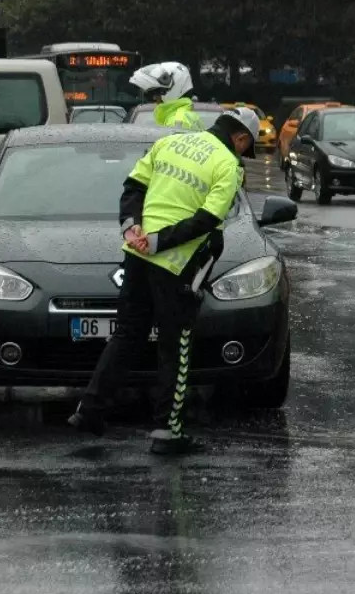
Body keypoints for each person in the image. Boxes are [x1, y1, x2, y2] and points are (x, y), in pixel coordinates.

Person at [68, 107, 260, 454]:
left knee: (127, 335)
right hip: (177, 264)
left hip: (137, 255)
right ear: (241, 138)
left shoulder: (169, 144)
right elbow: (208, 219)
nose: (244, 154)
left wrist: (132, 227)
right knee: (176, 343)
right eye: (247, 148)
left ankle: (90, 411)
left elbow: (132, 187)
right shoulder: (228, 164)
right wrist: (159, 241)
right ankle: (168, 432)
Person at [129, 62, 204, 130]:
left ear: (174, 89)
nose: (154, 97)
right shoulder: (183, 116)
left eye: (157, 92)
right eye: (151, 93)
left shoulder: (178, 120)